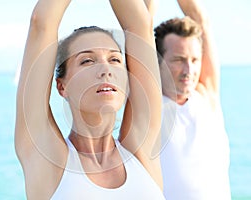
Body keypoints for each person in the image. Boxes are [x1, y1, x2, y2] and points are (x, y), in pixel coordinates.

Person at [14, 0, 165, 199]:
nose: (106, 70)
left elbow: (140, 24)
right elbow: (42, 24)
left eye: (114, 60)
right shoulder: (48, 160)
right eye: (87, 61)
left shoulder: (141, 153)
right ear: (62, 86)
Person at [155, 0, 231, 199]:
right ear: (158, 60)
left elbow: (202, 21)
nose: (189, 70)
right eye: (178, 60)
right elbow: (139, 26)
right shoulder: (149, 107)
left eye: (195, 60)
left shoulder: (207, 95)